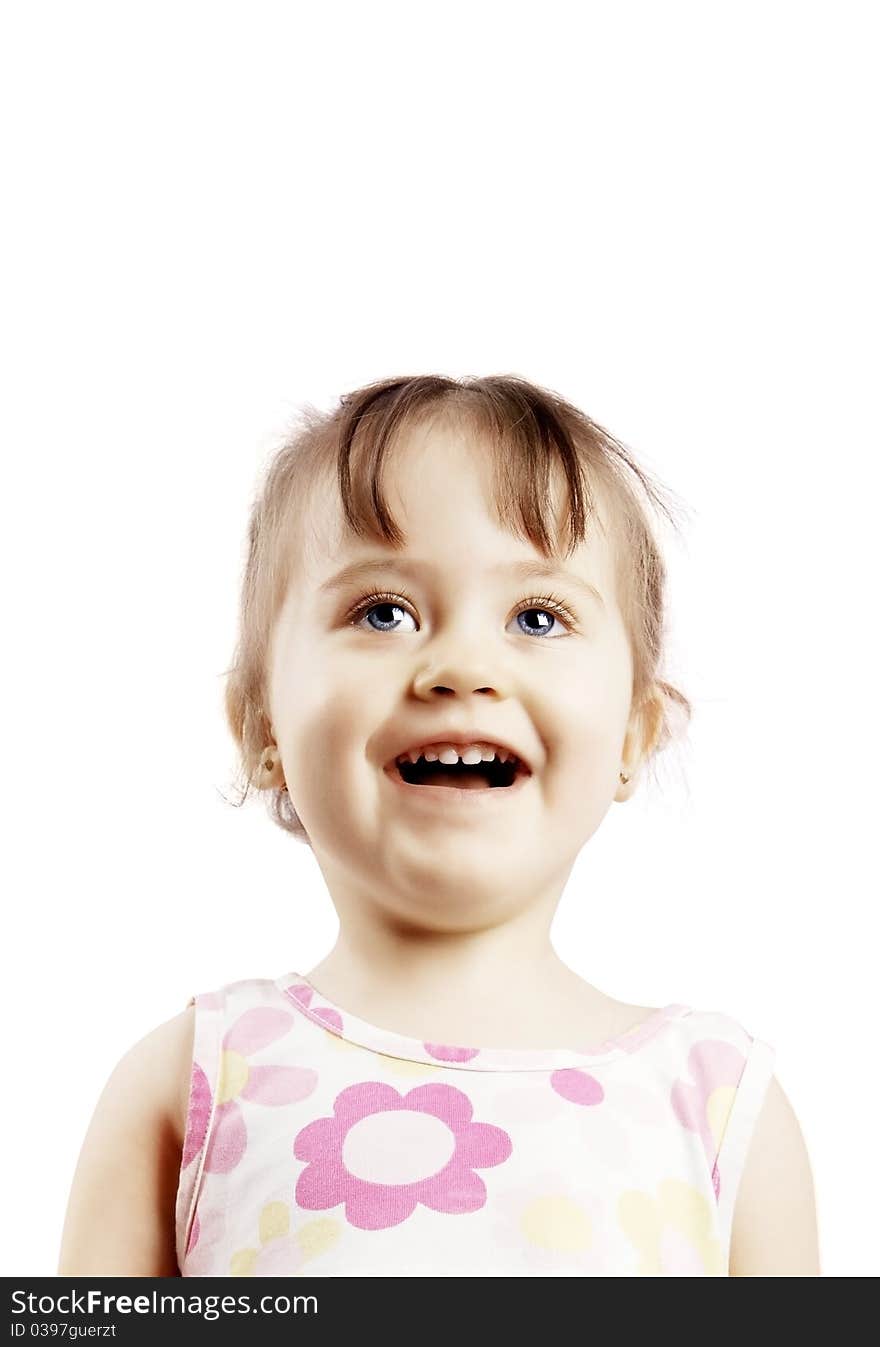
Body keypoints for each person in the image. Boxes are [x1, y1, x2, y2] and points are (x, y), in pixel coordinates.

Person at [58, 374, 820, 1276]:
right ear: (263, 727)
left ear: (631, 733)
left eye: (538, 616)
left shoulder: (722, 1108)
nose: (461, 665)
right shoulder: (192, 1087)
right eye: (384, 611)